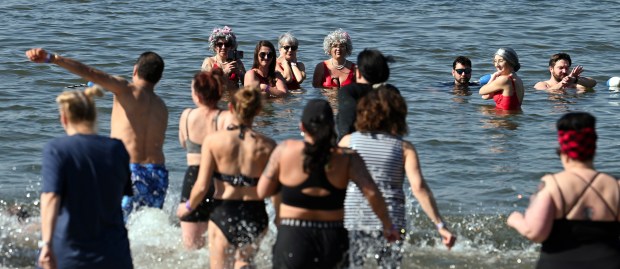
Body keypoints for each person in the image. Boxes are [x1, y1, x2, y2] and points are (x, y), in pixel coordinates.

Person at [25, 48, 169, 222]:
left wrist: (53, 58)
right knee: (147, 226)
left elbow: (90, 73)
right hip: (158, 174)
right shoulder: (161, 106)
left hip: (130, 172)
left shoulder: (126, 90)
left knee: (112, 224)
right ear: (159, 78)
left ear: (135, 70)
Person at [257, 99, 399, 269]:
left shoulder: (285, 150)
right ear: (332, 127)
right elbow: (372, 193)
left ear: (302, 127)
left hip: (293, 236)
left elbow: (262, 191)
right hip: (332, 239)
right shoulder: (348, 158)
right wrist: (387, 225)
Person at [339, 87, 457, 267]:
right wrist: (441, 226)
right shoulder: (404, 148)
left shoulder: (348, 141)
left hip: (354, 216)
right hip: (393, 219)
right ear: (398, 114)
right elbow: (418, 188)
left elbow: (334, 181)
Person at [177, 86, 275, 269]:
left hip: (225, 212)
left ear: (231, 108)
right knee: (244, 262)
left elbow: (201, 186)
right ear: (258, 111)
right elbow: (275, 190)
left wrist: (188, 206)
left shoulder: (214, 141)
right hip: (256, 213)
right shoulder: (268, 145)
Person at [507, 112, 620, 268]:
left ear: (563, 152)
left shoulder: (552, 184)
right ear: (593, 149)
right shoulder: (616, 186)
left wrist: (515, 219)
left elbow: (535, 233)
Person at [38, 87, 133, 269]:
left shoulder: (57, 149)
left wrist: (46, 245)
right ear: (94, 116)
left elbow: (51, 198)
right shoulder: (117, 149)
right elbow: (121, 194)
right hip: (115, 254)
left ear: (64, 119)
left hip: (70, 254)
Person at [177, 69, 232, 249]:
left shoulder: (186, 116)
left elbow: (184, 143)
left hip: (193, 179)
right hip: (218, 181)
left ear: (197, 94)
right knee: (219, 248)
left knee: (191, 248)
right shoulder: (225, 118)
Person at [336, 49, 398, 140]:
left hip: (355, 146)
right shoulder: (392, 91)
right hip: (390, 145)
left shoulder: (349, 91)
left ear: (358, 72)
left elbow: (345, 129)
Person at [201, 26, 246, 91]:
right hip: (217, 99)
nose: (223, 47)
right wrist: (225, 72)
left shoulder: (237, 62)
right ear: (215, 47)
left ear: (231, 47)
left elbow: (247, 84)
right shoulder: (209, 62)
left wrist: (239, 73)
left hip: (234, 99)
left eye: (227, 44)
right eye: (219, 44)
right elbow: (205, 85)